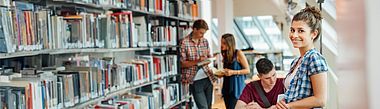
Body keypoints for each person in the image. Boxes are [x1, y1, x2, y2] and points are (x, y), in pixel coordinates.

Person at [276, 6, 328, 109]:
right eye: (292, 30)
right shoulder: (296, 61)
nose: (294, 35)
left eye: (300, 31)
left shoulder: (315, 58)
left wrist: (289, 106)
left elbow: (320, 100)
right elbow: (295, 96)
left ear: (314, 34)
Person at [180, 19, 217, 109]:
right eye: (201, 33)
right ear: (194, 29)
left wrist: (208, 59)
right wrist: (198, 61)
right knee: (203, 107)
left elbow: (209, 57)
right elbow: (182, 64)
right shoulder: (184, 42)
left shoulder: (205, 41)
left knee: (208, 106)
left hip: (208, 78)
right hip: (195, 80)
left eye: (204, 33)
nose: (202, 35)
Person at [219, 33, 250, 109]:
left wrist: (233, 72)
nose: (221, 45)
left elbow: (247, 70)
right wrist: (222, 73)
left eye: (224, 43)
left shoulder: (238, 53)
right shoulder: (225, 54)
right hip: (227, 87)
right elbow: (228, 71)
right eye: (221, 42)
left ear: (229, 44)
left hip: (237, 87)